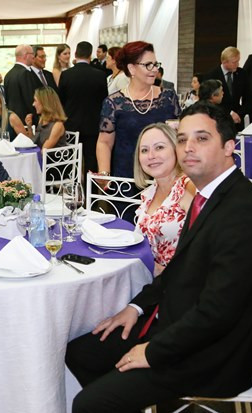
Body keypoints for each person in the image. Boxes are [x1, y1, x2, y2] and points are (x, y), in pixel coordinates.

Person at [65, 102, 252, 412]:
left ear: (229, 146)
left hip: (213, 354)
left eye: (202, 138)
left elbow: (218, 313)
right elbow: (178, 270)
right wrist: (136, 307)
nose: (188, 147)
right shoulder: (209, 195)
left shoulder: (242, 212)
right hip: (180, 323)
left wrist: (151, 351)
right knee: (80, 353)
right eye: (182, 139)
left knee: (88, 404)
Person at [97, 41, 180, 179]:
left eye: (156, 64)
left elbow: (178, 135)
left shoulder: (168, 97)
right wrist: (104, 174)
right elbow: (104, 142)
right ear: (132, 69)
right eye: (148, 65)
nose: (155, 69)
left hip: (164, 177)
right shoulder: (114, 103)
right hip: (126, 178)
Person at [133, 123, 195, 277]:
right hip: (150, 279)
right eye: (144, 150)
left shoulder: (189, 187)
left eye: (159, 147)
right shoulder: (149, 193)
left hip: (181, 282)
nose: (151, 156)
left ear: (176, 149)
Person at [58, 41, 109, 172]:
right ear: (90, 55)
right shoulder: (100, 75)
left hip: (71, 124)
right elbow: (105, 100)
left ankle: (74, 183)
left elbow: (60, 100)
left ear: (75, 54)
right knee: (91, 158)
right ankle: (89, 184)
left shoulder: (66, 75)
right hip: (93, 124)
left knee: (72, 160)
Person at [204, 46, 246, 126]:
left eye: (238, 61)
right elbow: (208, 101)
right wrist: (229, 113)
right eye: (234, 62)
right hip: (218, 120)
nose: (238, 64)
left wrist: (239, 114)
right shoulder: (211, 75)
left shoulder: (242, 74)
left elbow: (248, 97)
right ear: (224, 62)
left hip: (238, 120)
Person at [4, 44, 36, 122]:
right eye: (32, 54)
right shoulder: (26, 73)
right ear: (25, 56)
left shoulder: (8, 74)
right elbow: (30, 99)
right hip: (26, 120)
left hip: (12, 119)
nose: (33, 56)